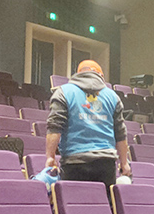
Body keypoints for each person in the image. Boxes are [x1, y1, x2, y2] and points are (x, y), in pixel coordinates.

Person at [45, 60, 130, 197]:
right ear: (101, 75)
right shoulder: (113, 97)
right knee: (102, 207)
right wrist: (124, 162)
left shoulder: (64, 92)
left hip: (74, 162)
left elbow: (54, 127)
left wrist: (50, 157)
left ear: (78, 73)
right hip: (105, 163)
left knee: (74, 207)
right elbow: (120, 133)